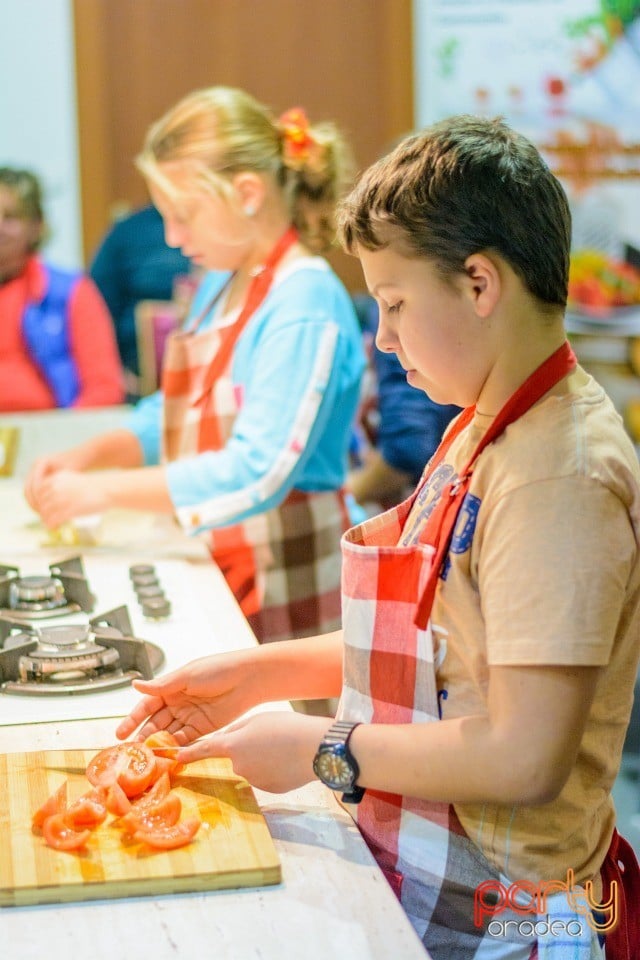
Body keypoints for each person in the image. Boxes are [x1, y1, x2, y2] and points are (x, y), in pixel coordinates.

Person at [114, 115, 640, 958]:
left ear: (479, 284)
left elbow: (524, 757)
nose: (385, 338)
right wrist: (257, 672)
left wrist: (323, 749)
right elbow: (438, 642)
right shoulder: (483, 423)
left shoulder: (558, 474)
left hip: (503, 910)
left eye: (395, 304)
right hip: (427, 871)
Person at [24, 87, 365, 652]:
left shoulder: (305, 304)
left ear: (248, 193)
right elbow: (180, 409)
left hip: (288, 579)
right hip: (221, 558)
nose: (173, 238)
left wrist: (100, 492)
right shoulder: (220, 282)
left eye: (183, 216)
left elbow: (256, 470)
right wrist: (96, 451)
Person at [0, 167, 124, 412]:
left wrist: (69, 440)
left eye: (11, 217)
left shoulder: (71, 292)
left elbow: (104, 388)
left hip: (53, 433)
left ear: (36, 226)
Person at [348, 293, 460, 513]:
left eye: (394, 305)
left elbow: (408, 449)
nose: (384, 340)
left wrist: (337, 500)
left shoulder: (383, 326)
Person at [89, 203, 193, 393]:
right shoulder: (127, 232)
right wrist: (114, 371)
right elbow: (96, 309)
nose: (174, 239)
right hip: (138, 379)